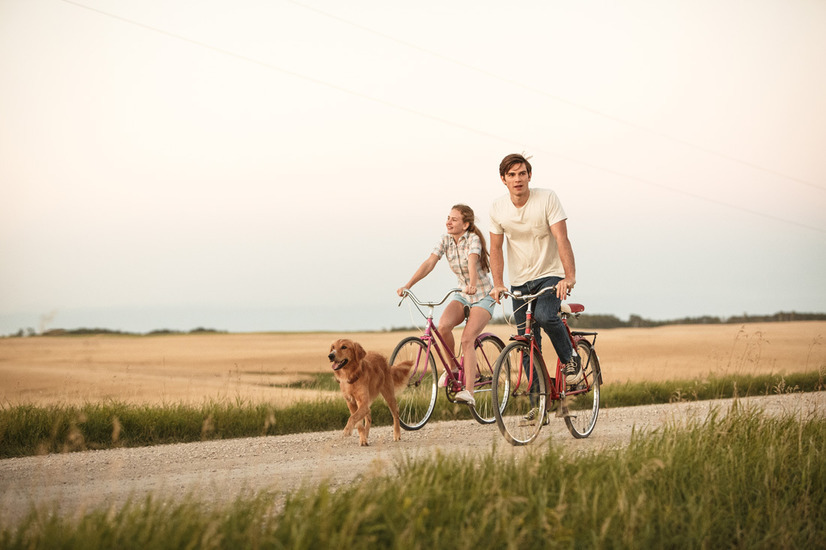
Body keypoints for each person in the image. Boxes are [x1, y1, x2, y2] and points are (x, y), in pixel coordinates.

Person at [488, 153, 581, 411]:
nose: (517, 179)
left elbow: (562, 238)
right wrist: (498, 283)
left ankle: (570, 357)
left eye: (522, 173)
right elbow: (495, 248)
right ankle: (538, 404)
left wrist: (569, 276)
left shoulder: (547, 198)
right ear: (503, 180)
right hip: (519, 281)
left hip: (550, 274)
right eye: (511, 175)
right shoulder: (498, 208)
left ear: (529, 176)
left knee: (544, 315)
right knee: (526, 343)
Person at [397, 204, 495, 407]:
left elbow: (471, 261)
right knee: (442, 327)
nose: (448, 222)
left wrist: (473, 285)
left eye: (454, 219)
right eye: (448, 218)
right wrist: (408, 284)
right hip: (462, 294)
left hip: (482, 295)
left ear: (466, 224)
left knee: (468, 339)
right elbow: (429, 263)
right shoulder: (445, 240)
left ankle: (469, 392)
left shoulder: (473, 239)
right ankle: (453, 370)